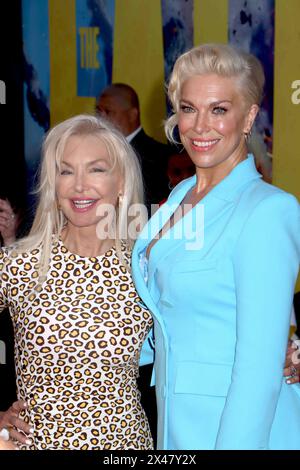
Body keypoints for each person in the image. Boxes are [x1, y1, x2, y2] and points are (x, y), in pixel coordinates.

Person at [131, 43, 300, 450]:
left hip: (239, 429)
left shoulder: (268, 211)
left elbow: (259, 371)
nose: (199, 126)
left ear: (250, 117)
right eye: (188, 108)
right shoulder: (178, 197)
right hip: (176, 418)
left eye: (219, 109)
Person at [0, 114, 154, 450]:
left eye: (96, 169)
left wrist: (286, 355)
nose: (79, 185)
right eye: (65, 171)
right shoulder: (18, 264)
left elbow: (209, 335)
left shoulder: (148, 268)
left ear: (122, 183)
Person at [96, 83, 170, 212]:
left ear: (132, 115)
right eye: (98, 111)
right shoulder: (95, 153)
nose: (100, 118)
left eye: (108, 111)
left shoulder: (160, 157)